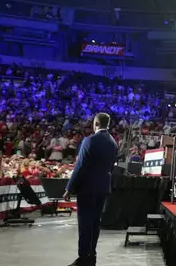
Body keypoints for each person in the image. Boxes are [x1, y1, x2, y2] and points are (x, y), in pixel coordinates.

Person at [64, 113, 118, 266]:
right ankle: (91, 255)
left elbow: (80, 166)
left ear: (95, 123)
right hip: (103, 188)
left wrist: (69, 188)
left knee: (85, 223)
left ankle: (83, 258)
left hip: (87, 188)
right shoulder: (113, 143)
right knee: (95, 223)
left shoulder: (89, 141)